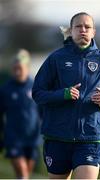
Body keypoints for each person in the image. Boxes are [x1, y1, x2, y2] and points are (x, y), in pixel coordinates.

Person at [32, 12, 100, 179]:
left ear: (93, 32)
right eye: (78, 26)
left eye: (87, 27)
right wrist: (62, 94)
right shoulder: (55, 59)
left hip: (91, 135)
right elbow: (38, 93)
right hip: (57, 135)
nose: (83, 30)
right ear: (71, 31)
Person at [0, 49, 41, 179]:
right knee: (23, 173)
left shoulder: (36, 87)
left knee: (24, 175)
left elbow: (43, 112)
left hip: (32, 139)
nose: (17, 71)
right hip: (13, 139)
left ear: (27, 68)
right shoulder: (5, 89)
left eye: (20, 68)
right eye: (15, 68)